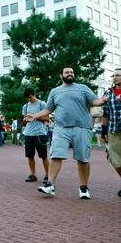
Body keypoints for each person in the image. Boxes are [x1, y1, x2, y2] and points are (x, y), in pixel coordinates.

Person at [26, 67, 108, 199]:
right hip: (61, 128)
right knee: (56, 155)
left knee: (83, 158)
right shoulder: (55, 91)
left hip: (81, 128)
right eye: (67, 72)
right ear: (61, 75)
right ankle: (50, 185)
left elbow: (94, 101)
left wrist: (103, 100)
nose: (70, 74)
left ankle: (84, 188)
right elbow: (48, 109)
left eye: (72, 72)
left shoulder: (82, 88)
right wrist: (35, 116)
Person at [22, 87, 49, 184]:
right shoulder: (25, 106)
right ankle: (33, 174)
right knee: (30, 156)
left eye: (30, 97)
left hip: (40, 134)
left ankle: (48, 175)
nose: (29, 99)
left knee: (43, 156)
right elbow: (24, 123)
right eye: (27, 98)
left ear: (34, 94)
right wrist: (25, 120)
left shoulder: (42, 104)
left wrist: (35, 117)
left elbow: (47, 119)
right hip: (28, 134)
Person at [101, 68, 121, 197]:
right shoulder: (108, 93)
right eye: (113, 75)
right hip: (114, 130)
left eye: (118, 75)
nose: (115, 77)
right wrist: (103, 131)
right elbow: (105, 112)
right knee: (115, 159)